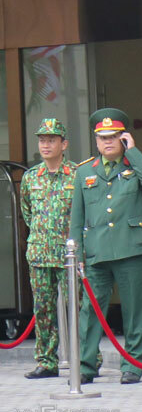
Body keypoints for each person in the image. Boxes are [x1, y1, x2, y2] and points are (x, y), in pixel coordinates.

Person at [70, 108, 142, 384]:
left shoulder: (136, 164)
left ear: (123, 138)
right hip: (96, 251)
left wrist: (133, 151)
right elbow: (77, 217)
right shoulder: (84, 171)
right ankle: (86, 365)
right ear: (96, 140)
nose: (107, 142)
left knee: (134, 309)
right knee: (90, 311)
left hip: (131, 247)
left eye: (113, 136)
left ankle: (132, 365)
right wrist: (76, 253)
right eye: (102, 137)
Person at [19, 119, 77, 379]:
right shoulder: (31, 177)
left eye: (51, 140)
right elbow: (27, 214)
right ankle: (46, 361)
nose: (45, 145)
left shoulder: (76, 174)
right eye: (42, 140)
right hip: (40, 253)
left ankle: (87, 358)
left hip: (70, 254)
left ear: (63, 144)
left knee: (78, 307)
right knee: (43, 309)